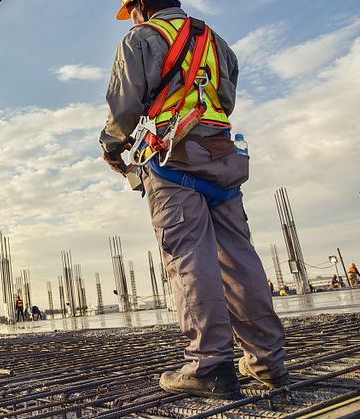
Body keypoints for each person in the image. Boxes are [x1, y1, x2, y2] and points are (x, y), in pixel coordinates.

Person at [101, 0, 287, 398]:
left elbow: (124, 106)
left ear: (140, 5)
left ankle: (211, 365)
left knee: (189, 260)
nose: (130, 17)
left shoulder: (141, 38)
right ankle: (267, 360)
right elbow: (227, 99)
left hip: (172, 160)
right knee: (239, 259)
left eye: (130, 9)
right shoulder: (215, 41)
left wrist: (112, 146)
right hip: (222, 158)